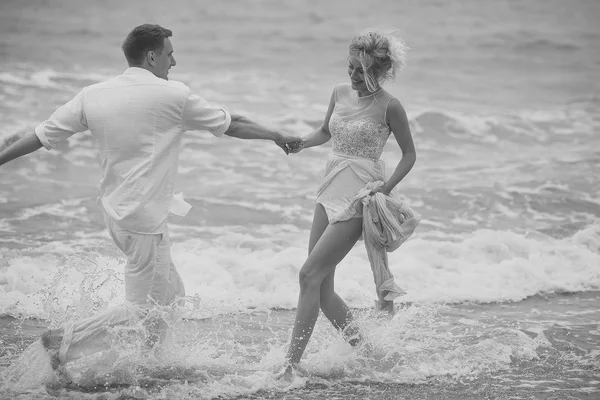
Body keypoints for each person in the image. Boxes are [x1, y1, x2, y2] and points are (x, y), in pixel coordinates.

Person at [0, 24, 299, 377]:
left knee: (171, 296)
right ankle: (61, 340)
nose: (175, 61)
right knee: (140, 309)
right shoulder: (173, 96)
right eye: (170, 54)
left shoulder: (92, 95)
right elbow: (232, 124)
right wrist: (277, 135)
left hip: (119, 214)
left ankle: (145, 362)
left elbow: (38, 136)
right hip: (143, 219)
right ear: (152, 56)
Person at [282, 30, 417, 372]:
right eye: (351, 67)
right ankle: (370, 354)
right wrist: (300, 142)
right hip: (328, 189)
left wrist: (383, 190)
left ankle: (289, 367)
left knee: (309, 275)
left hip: (360, 197)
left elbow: (409, 155)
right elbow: (326, 132)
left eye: (361, 70)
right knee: (322, 287)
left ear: (379, 71)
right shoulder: (340, 93)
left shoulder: (391, 106)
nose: (353, 76)